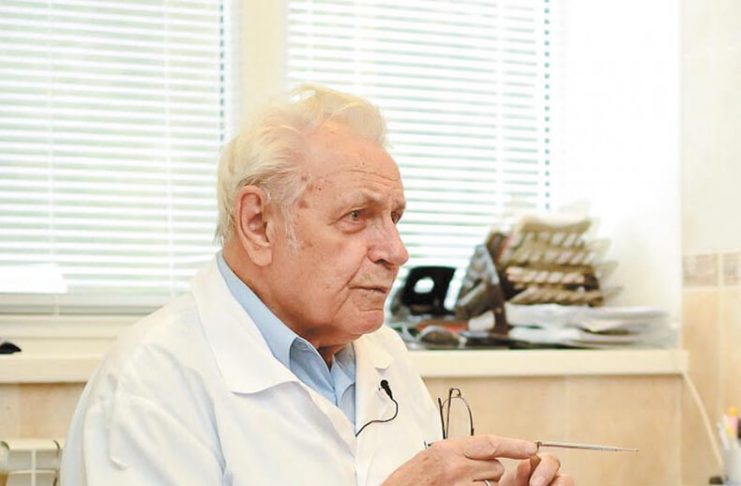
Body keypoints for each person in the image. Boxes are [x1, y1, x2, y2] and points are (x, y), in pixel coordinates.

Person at [60, 85, 573, 486]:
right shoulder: (152, 382)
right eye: (357, 216)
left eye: (394, 218)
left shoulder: (383, 354)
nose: (396, 251)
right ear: (258, 223)